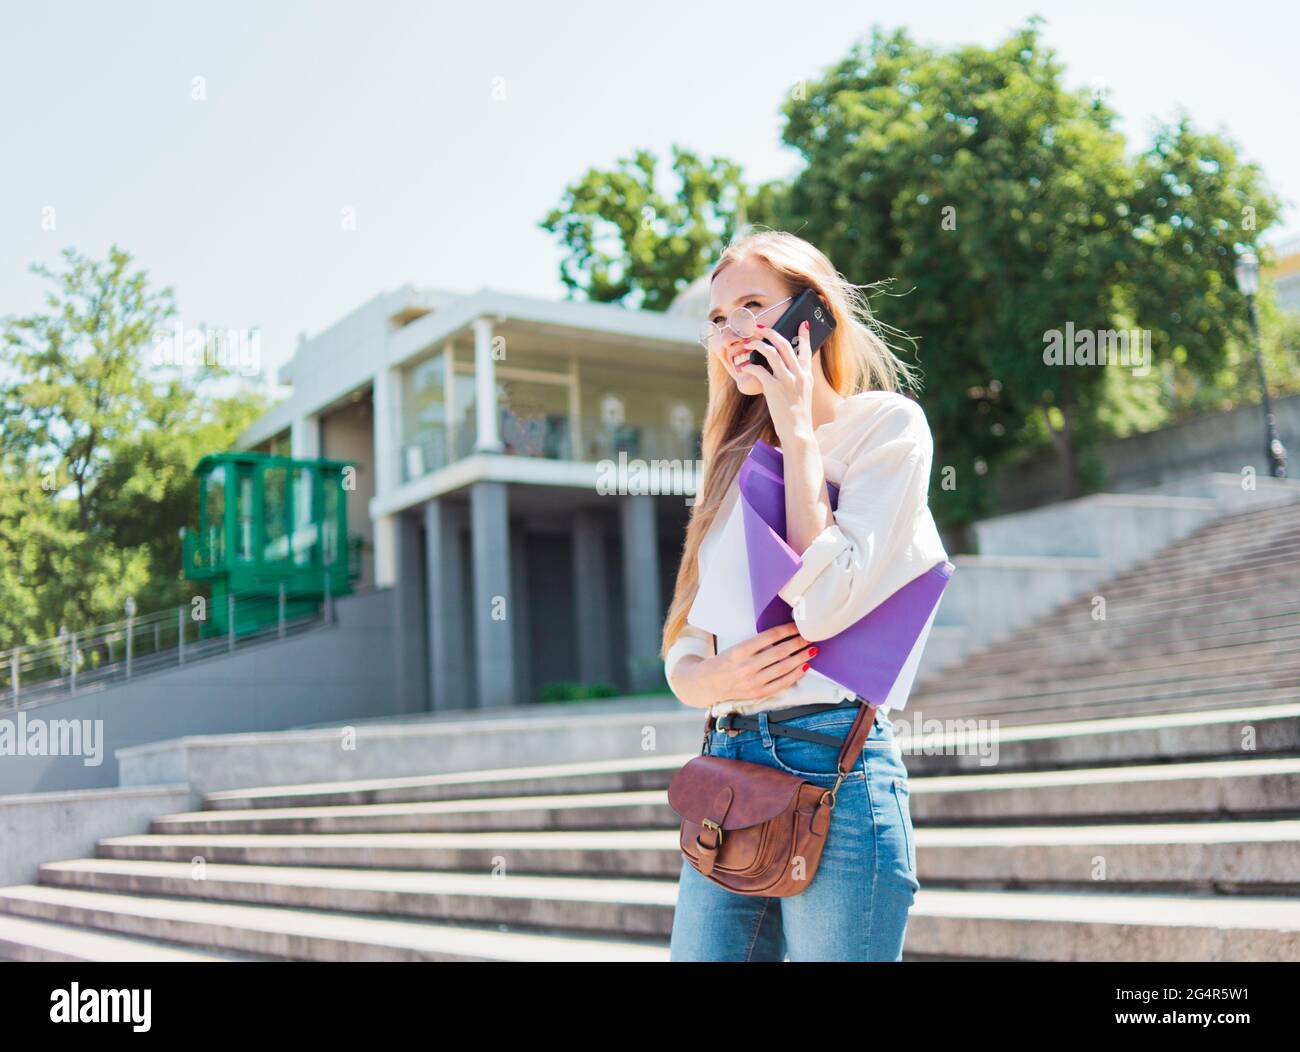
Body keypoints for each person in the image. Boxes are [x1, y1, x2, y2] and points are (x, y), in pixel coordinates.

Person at [661, 229, 949, 961]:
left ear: (810, 316)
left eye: (752, 306)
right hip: (728, 770)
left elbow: (825, 606)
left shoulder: (888, 428)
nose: (730, 333)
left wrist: (797, 434)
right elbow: (684, 643)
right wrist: (711, 678)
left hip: (835, 764)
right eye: (718, 319)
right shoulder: (730, 458)